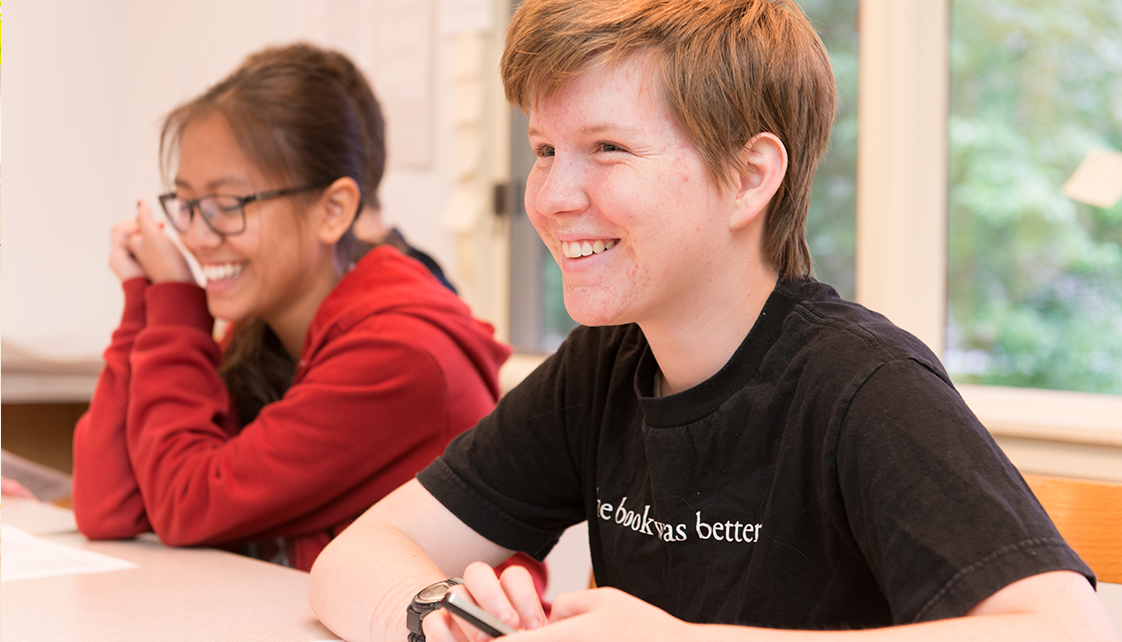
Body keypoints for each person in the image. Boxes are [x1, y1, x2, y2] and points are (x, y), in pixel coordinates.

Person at [308, 1, 1119, 641]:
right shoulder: (602, 367)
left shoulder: (862, 385)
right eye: (546, 149)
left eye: (609, 149)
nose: (552, 198)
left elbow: (1062, 631)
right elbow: (353, 561)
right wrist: (438, 617)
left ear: (748, 176)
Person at [70, 43, 520, 574]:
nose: (194, 235)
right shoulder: (262, 327)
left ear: (333, 210)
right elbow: (107, 506)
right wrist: (141, 303)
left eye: (226, 206)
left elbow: (184, 505)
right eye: (187, 204)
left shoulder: (400, 354)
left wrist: (173, 302)